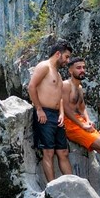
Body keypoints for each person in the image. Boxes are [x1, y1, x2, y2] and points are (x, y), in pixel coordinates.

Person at [28, 39, 74, 183]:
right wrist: (39, 109)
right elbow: (31, 86)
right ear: (58, 54)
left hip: (56, 116)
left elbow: (59, 97)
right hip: (45, 114)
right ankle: (52, 188)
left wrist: (61, 113)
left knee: (63, 152)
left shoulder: (58, 74)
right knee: (48, 152)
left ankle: (72, 184)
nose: (68, 61)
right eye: (66, 57)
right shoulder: (44, 66)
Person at [63, 57, 100, 157]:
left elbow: (82, 108)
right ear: (70, 70)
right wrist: (82, 125)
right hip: (70, 125)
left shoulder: (79, 87)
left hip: (80, 122)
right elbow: (66, 109)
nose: (82, 70)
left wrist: (87, 120)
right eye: (78, 68)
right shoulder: (66, 85)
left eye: (83, 67)